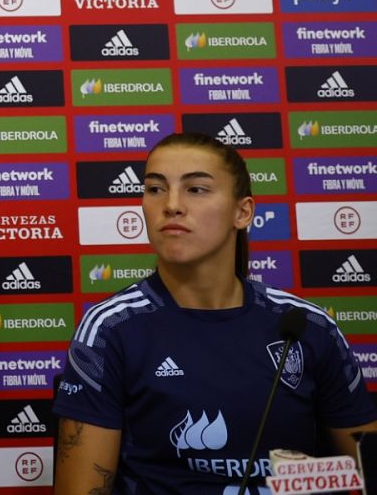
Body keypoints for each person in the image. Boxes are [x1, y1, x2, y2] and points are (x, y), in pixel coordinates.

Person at [53, 132, 377, 494]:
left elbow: (366, 469)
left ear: (243, 212)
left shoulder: (309, 327)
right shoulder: (111, 329)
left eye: (196, 189)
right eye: (155, 188)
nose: (172, 205)